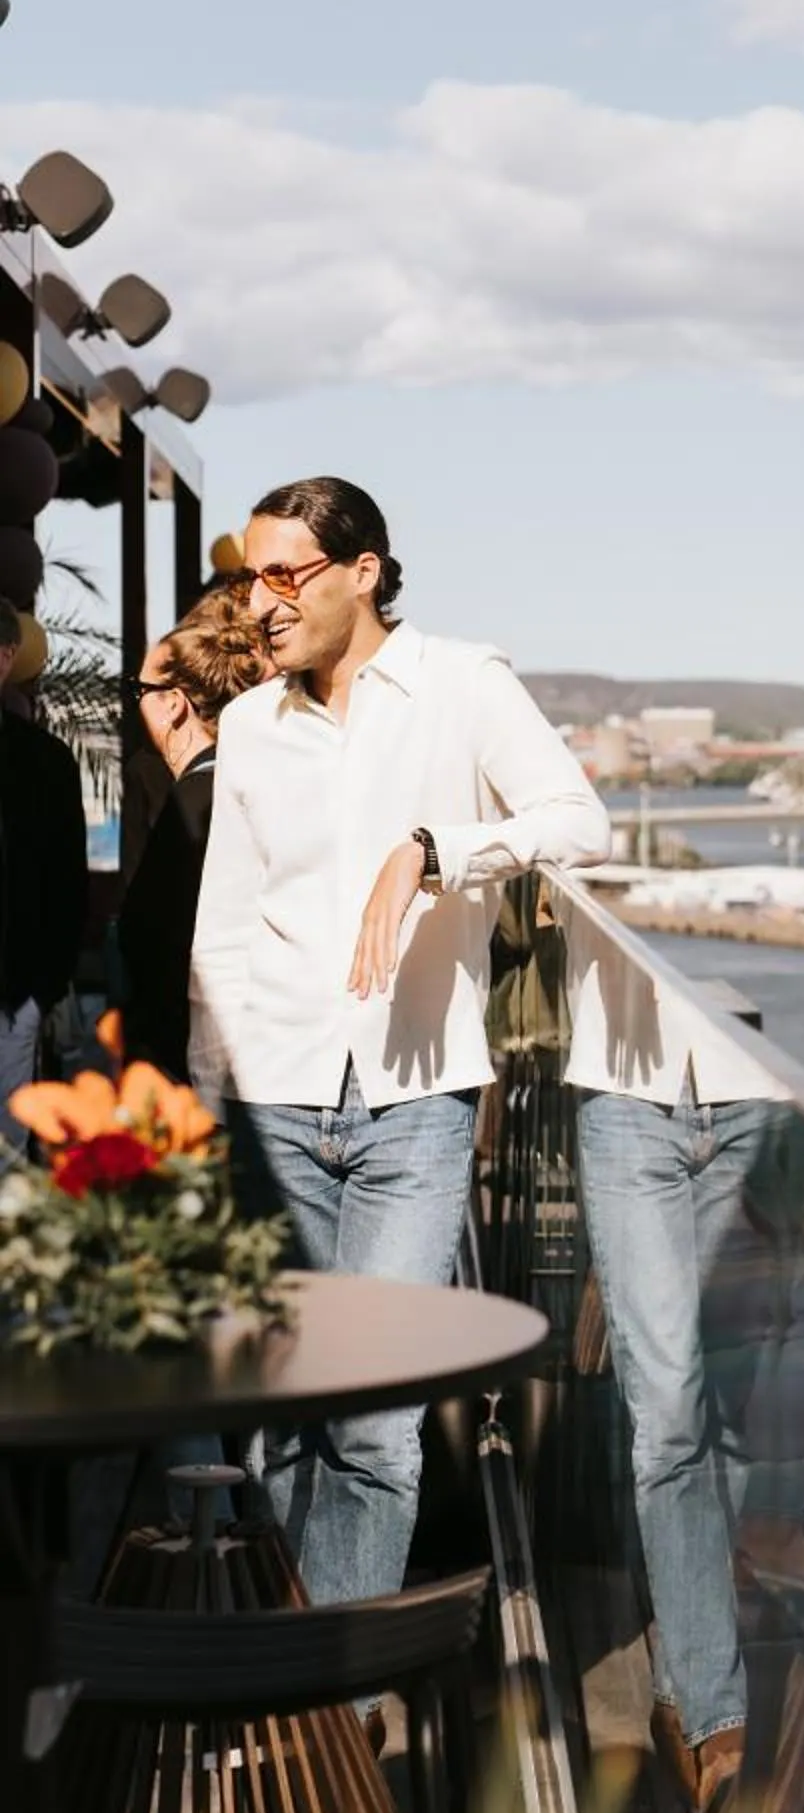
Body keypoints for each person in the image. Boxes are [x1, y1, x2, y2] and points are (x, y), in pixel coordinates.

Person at [191, 476, 609, 1610]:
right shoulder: (247, 724)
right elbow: (224, 928)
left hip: (415, 1106)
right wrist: (205, 1099)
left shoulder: (461, 684)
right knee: (280, 1415)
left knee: (373, 1425)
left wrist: (432, 849)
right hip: (268, 1103)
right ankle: (285, 1677)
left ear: (362, 570)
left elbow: (580, 822)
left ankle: (343, 1704)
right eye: (249, 580)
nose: (262, 605)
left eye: (287, 576)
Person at [563, 926, 792, 1813]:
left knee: (728, 1410)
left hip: (758, 1082)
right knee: (666, 1414)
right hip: (627, 1089)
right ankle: (711, 1710)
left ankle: (679, 1674)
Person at [117, 578, 272, 1087]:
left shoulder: (190, 803)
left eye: (138, 690)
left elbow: (156, 944)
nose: (135, 703)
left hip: (196, 1062)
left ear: (174, 704)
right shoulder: (256, 785)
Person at [0, 595, 89, 1144]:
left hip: (13, 996)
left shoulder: (46, 763)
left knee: (7, 1159)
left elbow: (66, 881)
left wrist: (43, 987)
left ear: (6, 657)